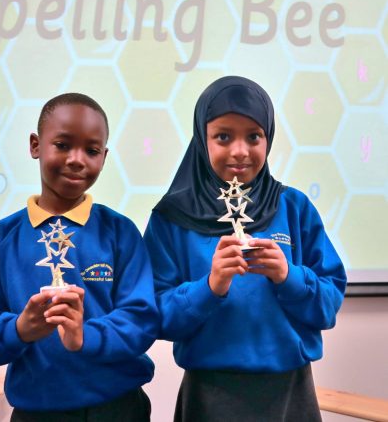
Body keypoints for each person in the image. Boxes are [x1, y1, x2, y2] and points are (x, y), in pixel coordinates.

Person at [143, 75, 347, 421]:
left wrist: (288, 276)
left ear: (269, 138)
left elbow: (328, 305)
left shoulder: (294, 207)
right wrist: (209, 287)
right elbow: (156, 316)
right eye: (223, 136)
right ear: (202, 138)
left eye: (254, 136)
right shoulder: (171, 218)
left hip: (291, 392)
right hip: (210, 395)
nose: (240, 151)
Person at [0, 93, 158, 421]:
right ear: (35, 146)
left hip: (119, 408)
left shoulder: (120, 232)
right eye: (63, 145)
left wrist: (85, 336)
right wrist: (20, 328)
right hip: (37, 411)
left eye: (92, 151)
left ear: (104, 157)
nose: (77, 160)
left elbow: (142, 321)